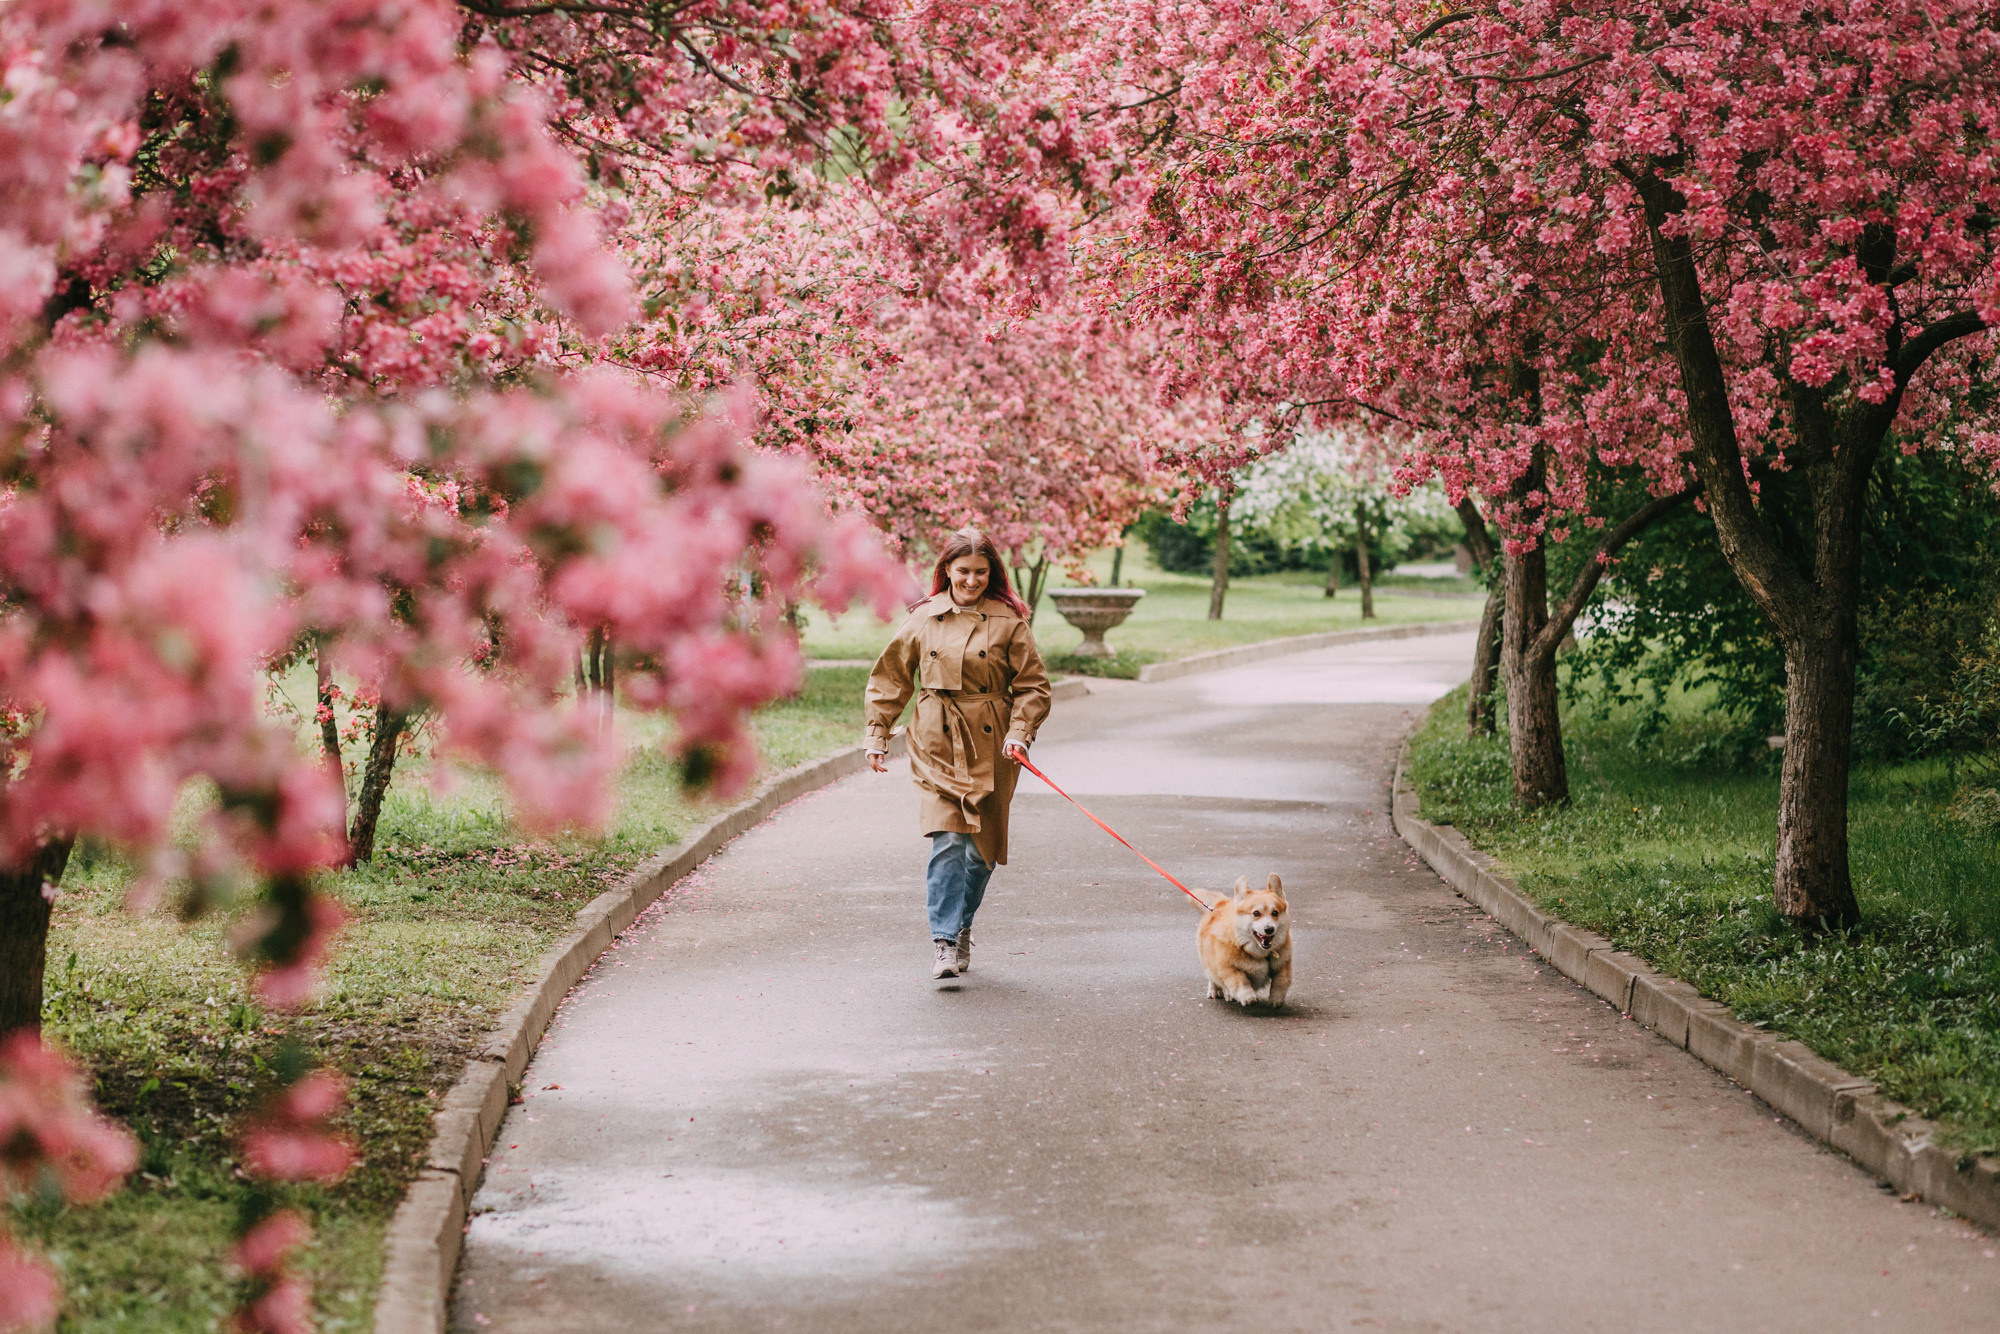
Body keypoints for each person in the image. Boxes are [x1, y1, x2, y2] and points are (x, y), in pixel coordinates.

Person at [865, 527, 1052, 979]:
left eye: (980, 572)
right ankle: (944, 941)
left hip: (993, 744)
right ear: (946, 569)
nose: (971, 580)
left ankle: (963, 923)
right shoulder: (923, 617)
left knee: (980, 852)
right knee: (948, 839)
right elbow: (891, 677)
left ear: (993, 573)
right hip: (935, 739)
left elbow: (1034, 687)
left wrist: (1019, 732)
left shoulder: (1009, 620)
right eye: (963, 571)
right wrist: (877, 733)